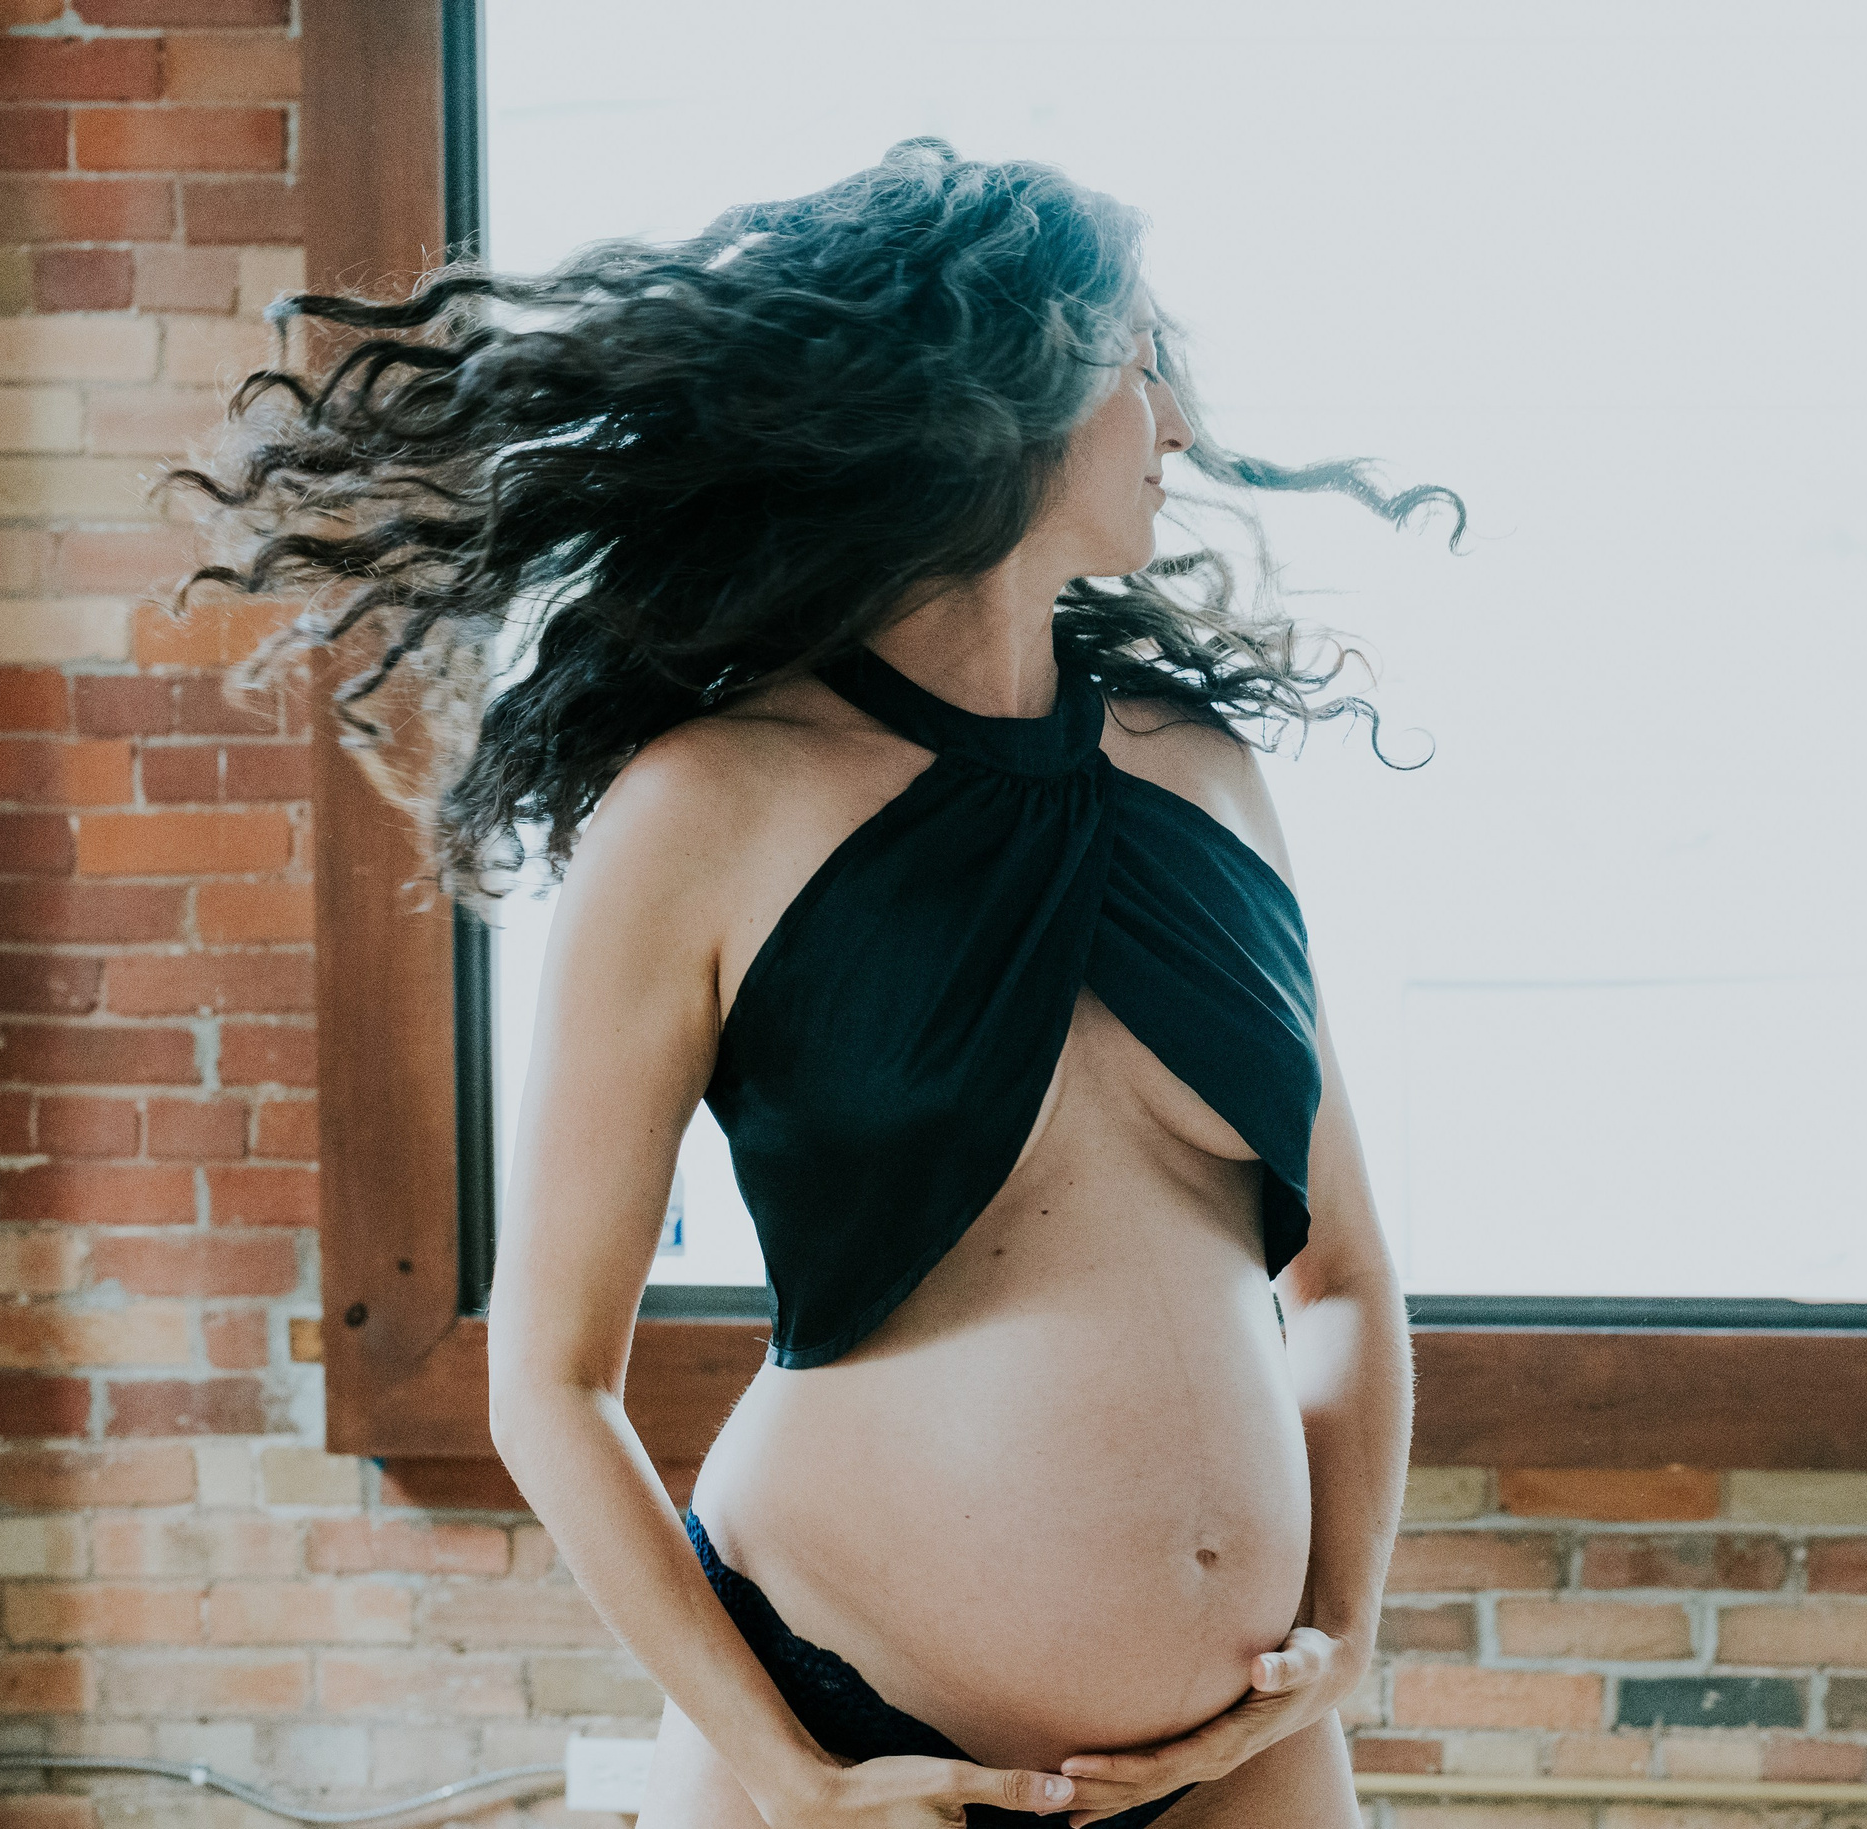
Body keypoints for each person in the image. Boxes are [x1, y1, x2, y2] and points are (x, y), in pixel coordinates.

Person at [169, 139, 1463, 1827]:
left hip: (1242, 1745)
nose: (1187, 427)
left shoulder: (1203, 772)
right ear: (1008, 394)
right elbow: (548, 1379)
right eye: (1146, 366)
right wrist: (787, 1774)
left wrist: (1342, 1636)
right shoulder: (705, 809)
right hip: (842, 1731)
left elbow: (1349, 1275)